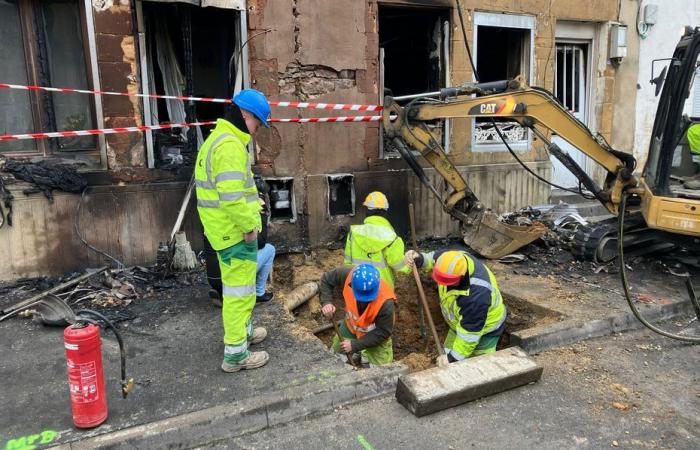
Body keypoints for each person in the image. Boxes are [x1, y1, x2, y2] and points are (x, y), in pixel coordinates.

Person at [195, 88, 271, 373]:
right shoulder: (229, 146)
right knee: (238, 294)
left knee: (242, 290)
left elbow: (235, 190)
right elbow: (230, 197)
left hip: (225, 231)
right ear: (245, 115)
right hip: (235, 233)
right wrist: (249, 225)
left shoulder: (219, 140)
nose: (256, 131)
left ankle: (244, 333)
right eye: (256, 124)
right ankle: (236, 355)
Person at [404, 249, 506, 362]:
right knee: (448, 352)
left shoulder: (476, 297)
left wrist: (452, 358)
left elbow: (469, 333)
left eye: (447, 281)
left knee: (479, 365)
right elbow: (433, 258)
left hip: (486, 328)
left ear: (461, 276)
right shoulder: (451, 259)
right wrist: (420, 259)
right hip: (459, 323)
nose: (442, 284)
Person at [204, 178, 275, 306]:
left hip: (214, 278)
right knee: (269, 249)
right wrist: (262, 211)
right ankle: (258, 293)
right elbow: (261, 242)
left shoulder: (214, 218)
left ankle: (221, 294)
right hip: (232, 275)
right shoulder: (240, 217)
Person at [320, 264, 397, 367]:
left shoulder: (386, 302)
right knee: (334, 359)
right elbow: (326, 279)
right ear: (352, 284)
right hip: (351, 326)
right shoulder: (347, 274)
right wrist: (327, 302)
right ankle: (354, 357)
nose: (364, 301)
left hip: (375, 335)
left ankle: (364, 359)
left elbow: (383, 331)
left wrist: (355, 345)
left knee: (381, 372)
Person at [343, 191, 409, 288]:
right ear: (385, 212)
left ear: (367, 211)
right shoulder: (392, 238)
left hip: (358, 286)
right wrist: (412, 263)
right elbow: (400, 266)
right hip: (383, 289)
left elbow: (347, 264)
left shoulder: (353, 233)